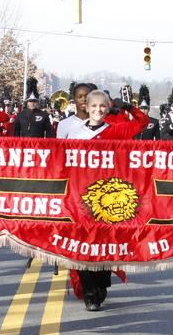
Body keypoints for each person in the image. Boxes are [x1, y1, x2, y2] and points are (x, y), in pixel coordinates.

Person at [63, 89, 148, 311]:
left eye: (102, 106)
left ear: (108, 107)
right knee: (81, 244)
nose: (98, 110)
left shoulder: (117, 130)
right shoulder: (75, 133)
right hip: (80, 196)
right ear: (86, 107)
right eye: (94, 106)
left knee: (102, 244)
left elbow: (142, 122)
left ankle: (100, 284)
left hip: (107, 197)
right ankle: (90, 291)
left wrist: (128, 107)